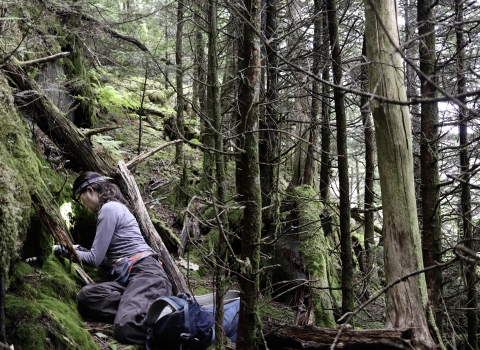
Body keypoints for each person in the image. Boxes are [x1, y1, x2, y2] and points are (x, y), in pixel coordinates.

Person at [54, 171, 172, 344]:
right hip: (129, 278)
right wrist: (78, 250)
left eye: (81, 199)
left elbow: (94, 259)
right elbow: (106, 260)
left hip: (146, 274)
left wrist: (63, 249)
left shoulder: (109, 208)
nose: (82, 205)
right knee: (87, 298)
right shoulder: (112, 208)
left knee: (125, 328)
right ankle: (137, 308)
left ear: (90, 190)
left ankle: (169, 329)